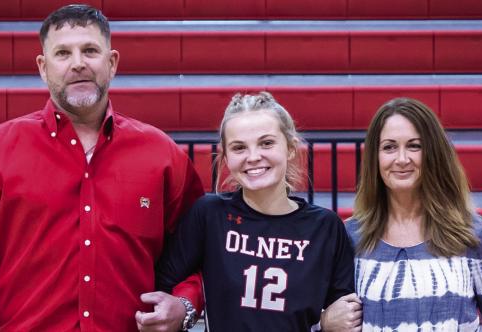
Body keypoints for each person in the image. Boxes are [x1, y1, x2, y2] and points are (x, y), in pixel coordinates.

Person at [0, 4, 204, 331]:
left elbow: (199, 254)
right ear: (43, 67)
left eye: (89, 50)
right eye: (63, 53)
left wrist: (184, 304)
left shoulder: (162, 154)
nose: (78, 64)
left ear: (112, 63)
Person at [136, 92, 355, 331]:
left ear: (291, 148)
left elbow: (345, 316)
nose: (253, 157)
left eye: (267, 143)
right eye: (239, 148)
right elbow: (163, 286)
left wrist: (325, 324)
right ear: (225, 157)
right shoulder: (209, 215)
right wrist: (184, 306)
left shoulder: (326, 227)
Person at [321, 97, 482, 331]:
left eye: (414, 146)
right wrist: (325, 322)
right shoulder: (349, 236)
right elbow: (307, 317)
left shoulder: (474, 234)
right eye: (389, 147)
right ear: (374, 159)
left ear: (433, 154)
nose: (402, 159)